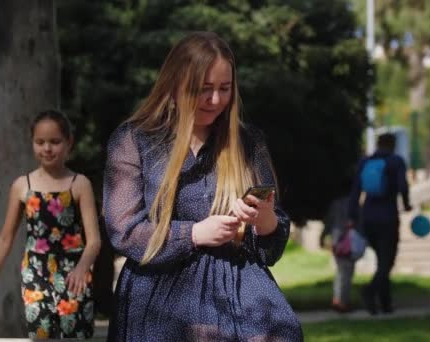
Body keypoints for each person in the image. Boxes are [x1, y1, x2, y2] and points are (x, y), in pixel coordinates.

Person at [103, 31, 302, 341]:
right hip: (160, 285)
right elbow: (123, 230)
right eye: (203, 89)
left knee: (282, 333)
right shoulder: (135, 140)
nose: (215, 100)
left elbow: (271, 248)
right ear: (175, 83)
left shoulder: (249, 142)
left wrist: (264, 219)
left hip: (237, 282)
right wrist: (194, 234)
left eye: (225, 89)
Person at [0, 110, 101, 339]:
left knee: (76, 336)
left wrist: (82, 268)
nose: (47, 148)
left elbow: (94, 241)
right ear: (32, 143)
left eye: (55, 142)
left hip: (74, 276)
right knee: (41, 336)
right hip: (35, 276)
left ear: (69, 142)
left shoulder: (80, 185)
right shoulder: (22, 186)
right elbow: (5, 239)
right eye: (40, 142)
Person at [348, 133, 411, 315]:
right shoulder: (396, 161)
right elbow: (403, 186)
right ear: (393, 145)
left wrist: (352, 216)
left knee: (382, 261)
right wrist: (406, 204)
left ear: (377, 144)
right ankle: (370, 291)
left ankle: (385, 304)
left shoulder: (365, 161)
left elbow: (355, 191)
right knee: (387, 262)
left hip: (367, 217)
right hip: (388, 217)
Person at [320, 194, 355, 313]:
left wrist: (323, 236)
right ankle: (343, 302)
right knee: (346, 273)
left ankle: (337, 299)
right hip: (348, 241)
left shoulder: (335, 203)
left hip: (336, 241)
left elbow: (328, 222)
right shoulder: (353, 202)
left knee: (340, 272)